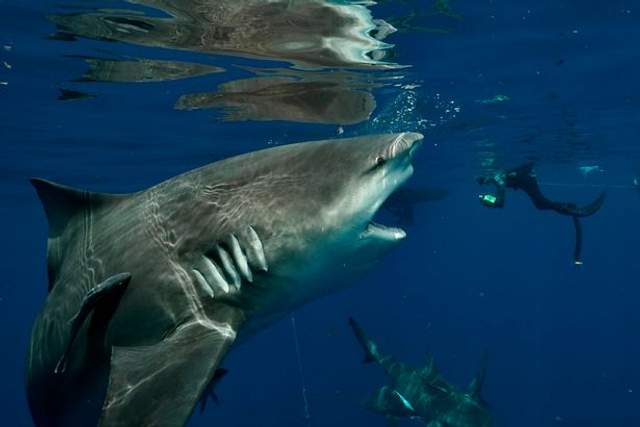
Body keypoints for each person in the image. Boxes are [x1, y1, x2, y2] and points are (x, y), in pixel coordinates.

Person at [477, 162, 606, 265]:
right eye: (482, 181)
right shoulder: (495, 177)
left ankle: (573, 210)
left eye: (483, 180)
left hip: (525, 177)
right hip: (524, 177)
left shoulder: (497, 177)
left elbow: (500, 203)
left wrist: (486, 199)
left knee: (540, 203)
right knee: (540, 204)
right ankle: (569, 208)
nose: (485, 183)